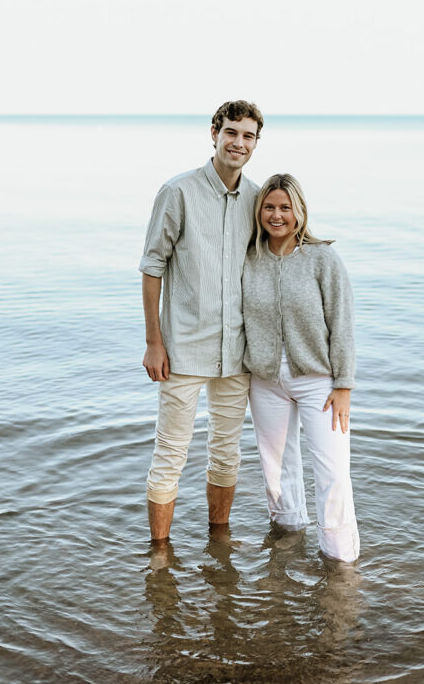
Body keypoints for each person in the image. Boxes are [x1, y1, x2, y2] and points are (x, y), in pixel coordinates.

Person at [140, 100, 263, 545]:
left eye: (248, 136)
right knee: (171, 452)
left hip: (237, 351)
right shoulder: (178, 192)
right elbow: (152, 266)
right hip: (184, 346)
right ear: (214, 133)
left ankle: (219, 544)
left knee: (227, 455)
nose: (239, 143)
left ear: (255, 143)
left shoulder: (256, 199)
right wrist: (154, 342)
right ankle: (159, 556)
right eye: (232, 132)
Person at [242, 173, 360, 563]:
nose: (277, 215)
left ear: (299, 212)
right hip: (265, 381)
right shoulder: (249, 258)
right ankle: (288, 543)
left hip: (319, 383)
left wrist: (343, 384)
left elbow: (341, 322)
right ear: (259, 211)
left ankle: (340, 562)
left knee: (332, 473)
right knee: (276, 472)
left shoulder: (322, 259)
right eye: (269, 207)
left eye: (285, 207)